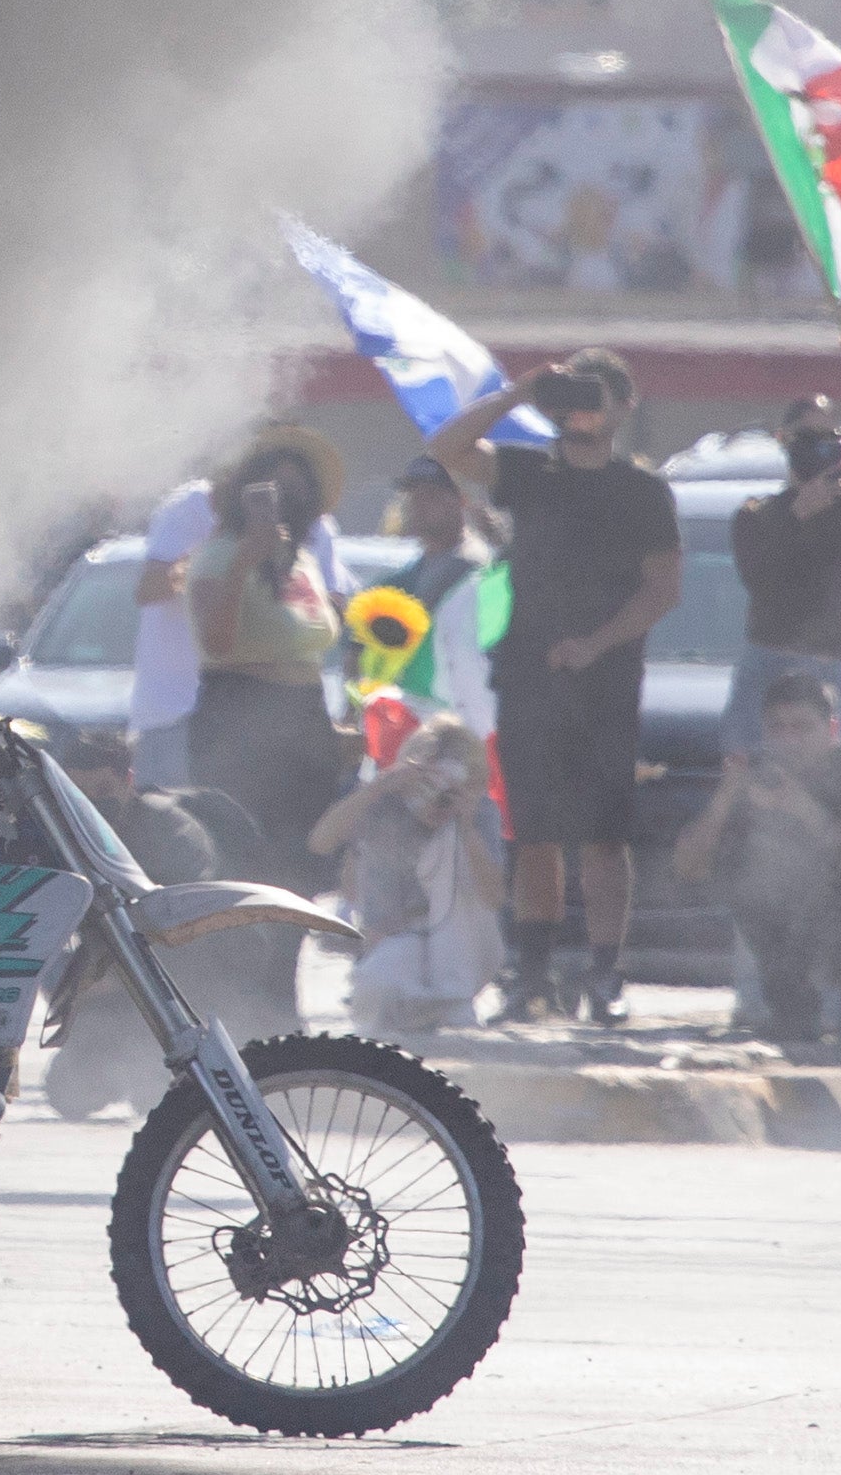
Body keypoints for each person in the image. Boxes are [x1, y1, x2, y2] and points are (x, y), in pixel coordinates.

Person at [433, 348, 680, 1026]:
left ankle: (604, 975)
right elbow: (447, 446)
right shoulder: (528, 472)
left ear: (624, 405)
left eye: (596, 396)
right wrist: (519, 391)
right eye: (573, 397)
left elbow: (662, 588)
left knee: (603, 837)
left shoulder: (641, 491)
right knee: (533, 833)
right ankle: (532, 975)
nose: (583, 409)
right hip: (528, 674)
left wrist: (596, 643)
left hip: (605, 680)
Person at [677, 674, 841, 1059]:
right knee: (753, 879)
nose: (789, 740)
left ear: (832, 730)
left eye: (803, 728)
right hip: (790, 942)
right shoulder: (758, 779)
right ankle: (792, 1009)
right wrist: (726, 796)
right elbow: (689, 867)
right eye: (778, 728)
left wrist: (807, 812)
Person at [725, 351, 841, 760]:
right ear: (785, 440)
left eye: (830, 439)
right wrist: (796, 515)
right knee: (744, 771)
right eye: (808, 439)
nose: (820, 449)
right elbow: (757, 576)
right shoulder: (757, 514)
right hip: (770, 660)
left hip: (837, 660)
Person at [184, 448, 345, 884]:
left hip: (305, 718)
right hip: (241, 719)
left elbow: (312, 643)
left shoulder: (303, 560)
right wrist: (243, 562)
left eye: (296, 490)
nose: (284, 500)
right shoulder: (219, 555)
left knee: (304, 866)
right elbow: (215, 642)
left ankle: (287, 953)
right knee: (250, 865)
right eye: (273, 490)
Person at [312, 717, 506, 1037]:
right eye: (429, 781)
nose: (437, 797)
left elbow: (494, 898)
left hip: (463, 949)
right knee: (378, 982)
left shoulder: (476, 812)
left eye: (449, 785)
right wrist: (378, 787)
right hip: (394, 941)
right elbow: (321, 842)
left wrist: (466, 827)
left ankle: (451, 997)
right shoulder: (385, 803)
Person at [384, 456, 500, 728]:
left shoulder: (470, 565)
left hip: (460, 717)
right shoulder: (413, 570)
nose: (417, 504)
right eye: (412, 495)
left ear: (460, 501)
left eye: (430, 496)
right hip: (420, 712)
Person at [127, 466, 213, 791]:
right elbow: (148, 590)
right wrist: (223, 553)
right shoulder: (193, 505)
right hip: (175, 715)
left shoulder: (303, 513)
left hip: (246, 714)